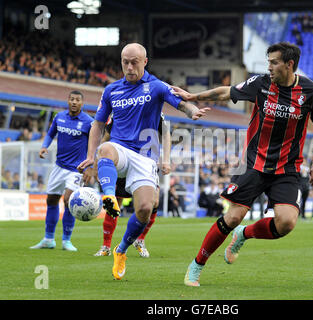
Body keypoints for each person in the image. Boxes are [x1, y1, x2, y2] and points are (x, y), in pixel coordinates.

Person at [172, 41, 313, 287]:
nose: (270, 67)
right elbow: (227, 91)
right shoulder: (260, 84)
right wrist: (193, 96)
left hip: (287, 168)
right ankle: (197, 265)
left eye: (274, 62)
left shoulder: (311, 92)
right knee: (233, 216)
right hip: (253, 162)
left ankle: (245, 233)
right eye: (268, 62)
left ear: (289, 64)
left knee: (286, 222)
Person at [77, 43, 209, 280]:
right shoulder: (111, 91)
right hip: (120, 149)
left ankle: (121, 249)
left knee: (146, 208)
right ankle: (108, 197)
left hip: (146, 157)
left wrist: (192, 111)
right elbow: (98, 124)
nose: (129, 66)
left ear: (145, 61)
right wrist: (90, 155)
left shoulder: (156, 87)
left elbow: (180, 102)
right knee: (106, 148)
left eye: (134, 62)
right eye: (125, 62)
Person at [87, 113, 171, 257]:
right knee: (114, 202)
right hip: (122, 158)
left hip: (145, 160)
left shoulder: (155, 108)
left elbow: (166, 134)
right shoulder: (121, 106)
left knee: (153, 203)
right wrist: (97, 162)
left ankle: (140, 239)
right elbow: (106, 135)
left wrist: (167, 159)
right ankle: (106, 246)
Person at [30, 90, 94, 251]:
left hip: (76, 170)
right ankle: (48, 239)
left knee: (68, 201)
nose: (74, 102)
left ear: (82, 103)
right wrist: (44, 146)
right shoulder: (59, 117)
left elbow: (95, 144)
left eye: (77, 100)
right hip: (59, 166)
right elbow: (50, 134)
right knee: (51, 200)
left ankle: (66, 240)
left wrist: (90, 167)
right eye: (71, 99)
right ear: (68, 101)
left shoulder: (88, 122)